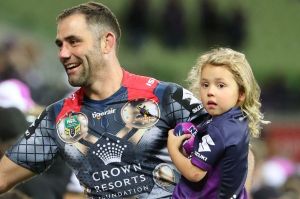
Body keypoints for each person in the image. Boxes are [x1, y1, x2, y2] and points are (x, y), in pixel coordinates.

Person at [0, 2, 252, 198]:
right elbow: (3, 177)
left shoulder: (167, 98)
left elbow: (238, 150)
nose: (63, 54)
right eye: (60, 45)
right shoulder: (57, 117)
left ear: (106, 42)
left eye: (74, 42)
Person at [167, 48, 269, 198]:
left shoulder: (217, 129)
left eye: (220, 85)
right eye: (205, 84)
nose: (210, 92)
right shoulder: (237, 119)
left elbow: (195, 173)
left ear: (241, 93)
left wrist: (173, 148)